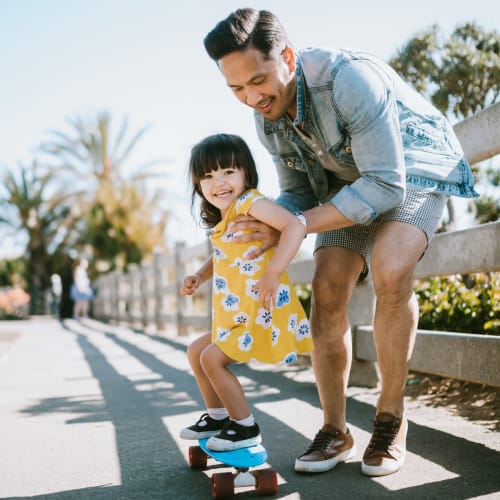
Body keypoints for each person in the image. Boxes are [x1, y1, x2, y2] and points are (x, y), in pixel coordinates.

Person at [203, 9, 478, 475]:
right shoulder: (266, 117)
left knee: (391, 268)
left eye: (258, 80)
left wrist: (293, 224)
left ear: (287, 56)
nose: (252, 98)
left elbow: (387, 186)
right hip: (345, 188)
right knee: (327, 288)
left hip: (412, 172)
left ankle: (391, 419)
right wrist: (276, 220)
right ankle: (335, 429)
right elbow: (299, 193)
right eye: (236, 89)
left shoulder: (348, 79)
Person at [179, 133, 313, 451]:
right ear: (198, 185)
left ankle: (244, 427)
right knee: (196, 352)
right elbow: (224, 253)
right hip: (238, 313)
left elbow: (295, 225)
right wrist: (199, 275)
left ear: (246, 174)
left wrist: (274, 271)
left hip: (260, 309)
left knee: (212, 359)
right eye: (208, 176)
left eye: (228, 171)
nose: (219, 182)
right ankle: (217, 416)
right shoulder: (226, 216)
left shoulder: (251, 203)